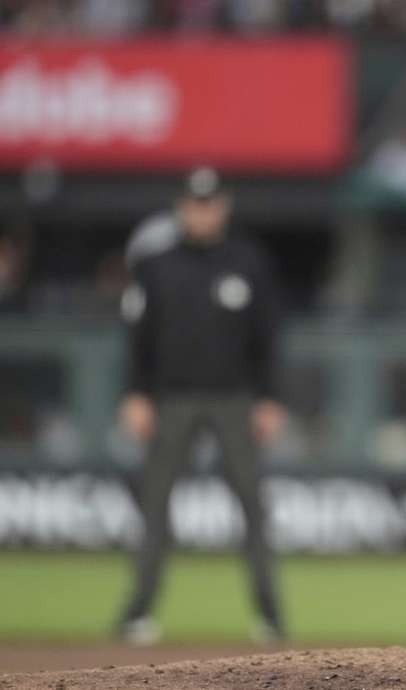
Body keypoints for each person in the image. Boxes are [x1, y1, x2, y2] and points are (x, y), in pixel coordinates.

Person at [115, 166, 287, 645]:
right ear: (181, 208)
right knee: (154, 508)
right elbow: (137, 340)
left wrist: (269, 398)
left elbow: (267, 338)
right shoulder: (156, 266)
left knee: (253, 507)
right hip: (171, 399)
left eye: (210, 203)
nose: (203, 212)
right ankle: (136, 614)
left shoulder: (248, 262)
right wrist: (135, 394)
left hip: (234, 399)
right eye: (195, 203)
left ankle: (271, 618)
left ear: (223, 207)